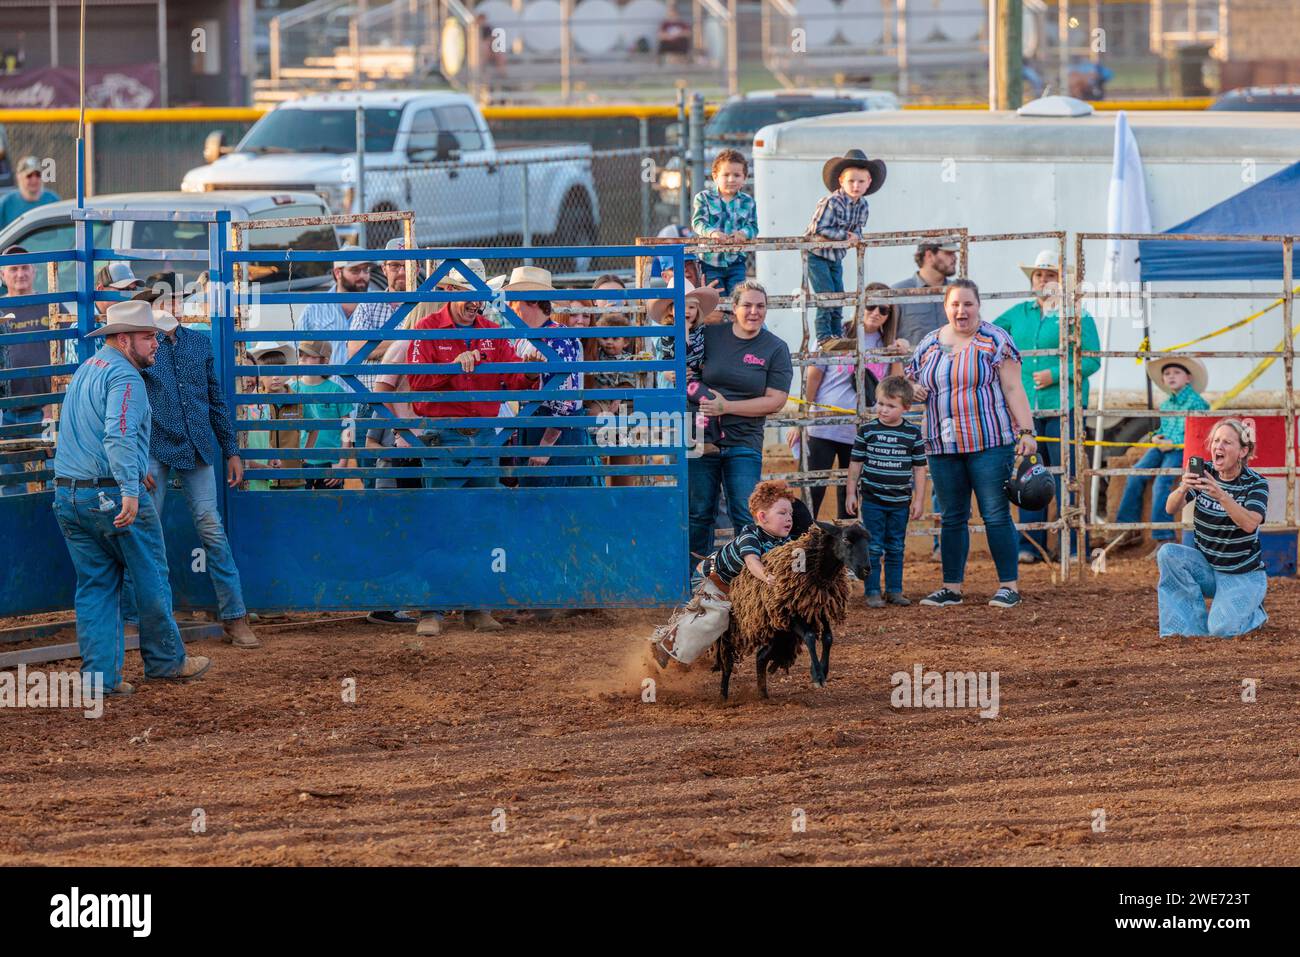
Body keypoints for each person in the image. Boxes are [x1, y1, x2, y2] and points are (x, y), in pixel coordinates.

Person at [50, 301, 210, 695]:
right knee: (151, 574)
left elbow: (83, 432)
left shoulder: (87, 369)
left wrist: (131, 471)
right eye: (147, 336)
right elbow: (118, 433)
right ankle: (167, 661)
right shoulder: (127, 379)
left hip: (70, 494)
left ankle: (100, 679)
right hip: (109, 494)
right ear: (124, 340)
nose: (155, 343)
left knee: (95, 585)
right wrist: (128, 487)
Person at [406, 259, 538, 634]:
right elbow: (417, 383)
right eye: (466, 294)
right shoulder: (426, 330)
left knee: (481, 521)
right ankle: (434, 609)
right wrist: (453, 365)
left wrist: (528, 370)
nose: (473, 302)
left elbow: (512, 378)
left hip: (480, 436)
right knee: (444, 521)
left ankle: (475, 605)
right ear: (448, 292)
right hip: (445, 435)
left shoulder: (492, 333)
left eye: (477, 295)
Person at [127, 306, 258, 648]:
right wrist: (134, 461)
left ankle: (234, 616)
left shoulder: (198, 344)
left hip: (195, 444)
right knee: (145, 530)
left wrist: (231, 450)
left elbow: (215, 399)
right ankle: (135, 617)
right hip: (154, 447)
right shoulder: (143, 346)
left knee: (208, 528)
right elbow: (128, 407)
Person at [905, 279, 1038, 609]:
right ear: (945, 307)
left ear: (978, 306)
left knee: (994, 513)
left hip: (989, 442)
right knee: (951, 516)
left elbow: (1012, 389)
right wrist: (913, 390)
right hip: (942, 444)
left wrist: (1027, 432)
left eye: (967, 304)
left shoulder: (995, 340)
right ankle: (951, 587)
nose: (961, 311)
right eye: (955, 304)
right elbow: (909, 381)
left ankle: (1009, 585)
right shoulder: (930, 343)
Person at [994, 249, 1101, 563]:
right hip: (1026, 408)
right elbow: (989, 336)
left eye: (1050, 275)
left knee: (1066, 474)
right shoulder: (1016, 314)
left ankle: (1071, 545)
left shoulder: (1077, 315)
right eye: (1039, 275)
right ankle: (1030, 543)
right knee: (1029, 473)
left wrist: (1056, 374)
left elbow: (1092, 359)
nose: (1043, 280)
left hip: (1064, 406)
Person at [687, 280, 793, 574]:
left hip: (744, 440)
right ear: (734, 308)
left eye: (760, 306)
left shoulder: (775, 348)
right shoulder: (711, 336)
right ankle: (696, 584)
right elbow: (687, 365)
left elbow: (776, 400)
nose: (754, 311)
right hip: (700, 436)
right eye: (747, 305)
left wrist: (728, 407)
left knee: (746, 515)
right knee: (698, 514)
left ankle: (747, 584)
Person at [650, 479, 798, 668]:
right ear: (762, 517)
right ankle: (666, 645)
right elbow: (752, 562)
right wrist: (767, 576)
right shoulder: (750, 536)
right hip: (711, 578)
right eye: (782, 513)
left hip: (734, 585)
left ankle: (688, 646)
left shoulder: (783, 542)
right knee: (719, 615)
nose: (789, 518)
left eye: (791, 514)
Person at [1157, 418, 1268, 638]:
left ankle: (1255, 613)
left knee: (1222, 630)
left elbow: (1249, 523)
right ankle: (1188, 629)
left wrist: (1220, 495)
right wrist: (1184, 486)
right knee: (1168, 553)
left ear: (1242, 451)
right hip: (1208, 568)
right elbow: (1170, 508)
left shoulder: (1255, 483)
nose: (1218, 446)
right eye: (1216, 441)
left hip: (1242, 573)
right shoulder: (1205, 473)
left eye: (1227, 442)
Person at [504, 265, 594, 488]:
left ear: (532, 301)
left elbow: (567, 399)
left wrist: (545, 445)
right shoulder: (526, 338)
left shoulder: (557, 338)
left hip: (555, 431)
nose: (511, 307)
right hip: (538, 425)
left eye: (515, 301)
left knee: (552, 499)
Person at [1114, 356, 1211, 555]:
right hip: (1163, 446)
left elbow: (1198, 432)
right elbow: (1162, 428)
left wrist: (1172, 443)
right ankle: (1127, 528)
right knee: (1135, 473)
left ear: (1188, 378)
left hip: (1181, 449)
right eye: (1167, 374)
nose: (1171, 377)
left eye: (1176, 373)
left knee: (1162, 482)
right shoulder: (1167, 405)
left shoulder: (1198, 403)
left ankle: (1164, 536)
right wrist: (1156, 437)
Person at [846, 375, 927, 607]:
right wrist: (851, 492)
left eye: (891, 406)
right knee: (872, 546)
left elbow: (919, 469)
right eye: (880, 403)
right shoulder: (868, 430)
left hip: (900, 501)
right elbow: (855, 463)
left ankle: (894, 590)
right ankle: (872, 590)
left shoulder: (912, 433)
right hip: (872, 499)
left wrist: (919, 500)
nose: (883, 409)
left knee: (896, 546)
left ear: (906, 407)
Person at [803, 149, 886, 349]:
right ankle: (824, 336)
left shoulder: (863, 206)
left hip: (835, 256)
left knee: (839, 295)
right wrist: (844, 237)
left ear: (869, 183)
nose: (856, 186)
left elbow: (857, 230)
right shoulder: (831, 202)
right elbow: (818, 228)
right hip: (817, 254)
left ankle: (836, 335)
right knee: (827, 294)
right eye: (851, 181)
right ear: (841, 181)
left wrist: (857, 238)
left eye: (861, 181)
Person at [1, 244, 55, 495]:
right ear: (3, 275)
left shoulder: (51, 306)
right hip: (7, 413)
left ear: (34, 271)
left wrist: (53, 406)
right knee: (11, 482)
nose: (20, 273)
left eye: (25, 267)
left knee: (49, 474)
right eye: (13, 269)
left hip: (44, 410)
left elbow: (67, 353)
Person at [648, 280, 721, 447]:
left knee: (707, 401)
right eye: (681, 305)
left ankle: (707, 439)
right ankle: (697, 439)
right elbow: (672, 356)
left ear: (698, 311)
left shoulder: (702, 330)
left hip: (696, 379)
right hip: (676, 384)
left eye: (691, 307)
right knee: (677, 420)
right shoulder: (667, 332)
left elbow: (705, 353)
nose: (686, 310)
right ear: (671, 310)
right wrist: (684, 332)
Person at [584, 313, 640, 488]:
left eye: (615, 338)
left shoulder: (627, 360)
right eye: (605, 337)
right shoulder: (596, 355)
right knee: (594, 413)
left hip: (619, 402)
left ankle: (621, 489)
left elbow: (628, 384)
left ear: (625, 342)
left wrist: (616, 400)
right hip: (599, 398)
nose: (609, 342)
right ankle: (594, 445)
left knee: (620, 441)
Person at [692, 148, 757, 296]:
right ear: (715, 176)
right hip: (710, 262)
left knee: (738, 298)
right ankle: (719, 319)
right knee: (715, 299)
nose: (731, 179)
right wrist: (712, 233)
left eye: (737, 175)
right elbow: (698, 222)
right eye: (726, 175)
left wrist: (743, 233)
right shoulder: (703, 198)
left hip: (736, 262)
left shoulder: (748, 202)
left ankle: (735, 319)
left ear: (745, 178)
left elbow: (753, 226)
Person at [293, 339, 353, 490]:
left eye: (310, 356)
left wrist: (342, 463)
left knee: (330, 509)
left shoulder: (335, 390)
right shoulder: (292, 389)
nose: (303, 359)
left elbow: (349, 427)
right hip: (299, 462)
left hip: (330, 462)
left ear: (325, 360)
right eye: (301, 355)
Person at [301, 246, 375, 367]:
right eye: (355, 270)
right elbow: (297, 351)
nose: (362, 276)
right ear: (337, 272)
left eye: (366, 270)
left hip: (366, 385)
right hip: (329, 385)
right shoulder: (314, 309)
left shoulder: (381, 304)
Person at [893, 241, 958, 349]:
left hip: (954, 364)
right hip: (915, 364)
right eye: (948, 253)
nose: (955, 258)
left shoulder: (959, 291)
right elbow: (886, 338)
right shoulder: (898, 293)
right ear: (929, 255)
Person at [0, 156, 58, 229]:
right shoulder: (5, 203)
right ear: (19, 177)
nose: (34, 180)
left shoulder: (53, 200)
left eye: (38, 175)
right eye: (29, 176)